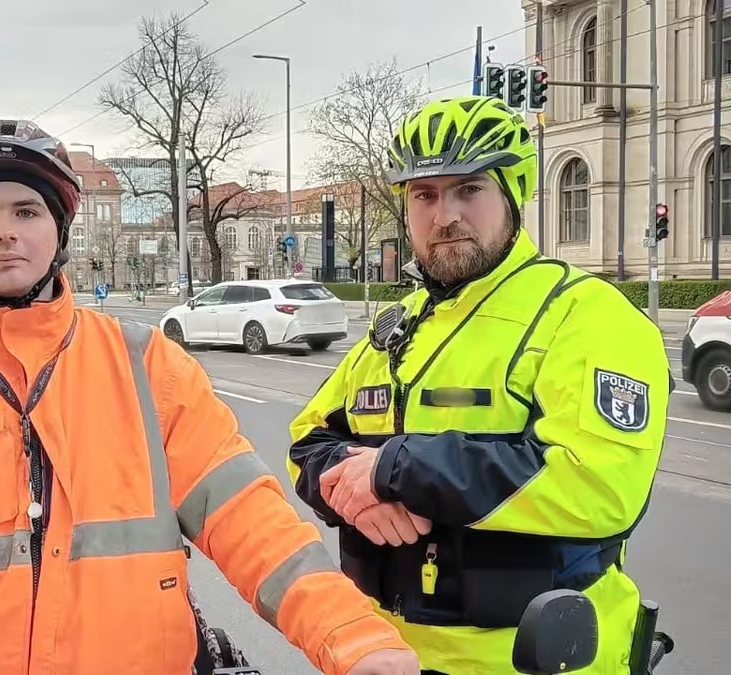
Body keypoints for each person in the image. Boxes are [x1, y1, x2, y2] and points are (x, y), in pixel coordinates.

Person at [0, 118, 419, 675]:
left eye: (27, 210)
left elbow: (250, 520)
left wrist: (353, 636)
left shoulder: (149, 367)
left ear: (58, 231)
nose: (4, 231)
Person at [286, 94, 671, 674]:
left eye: (468, 189)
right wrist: (347, 483)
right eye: (424, 195)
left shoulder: (587, 315)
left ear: (513, 194)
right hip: (383, 655)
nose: (444, 216)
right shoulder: (399, 325)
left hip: (533, 661)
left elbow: (600, 487)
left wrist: (395, 470)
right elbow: (307, 439)